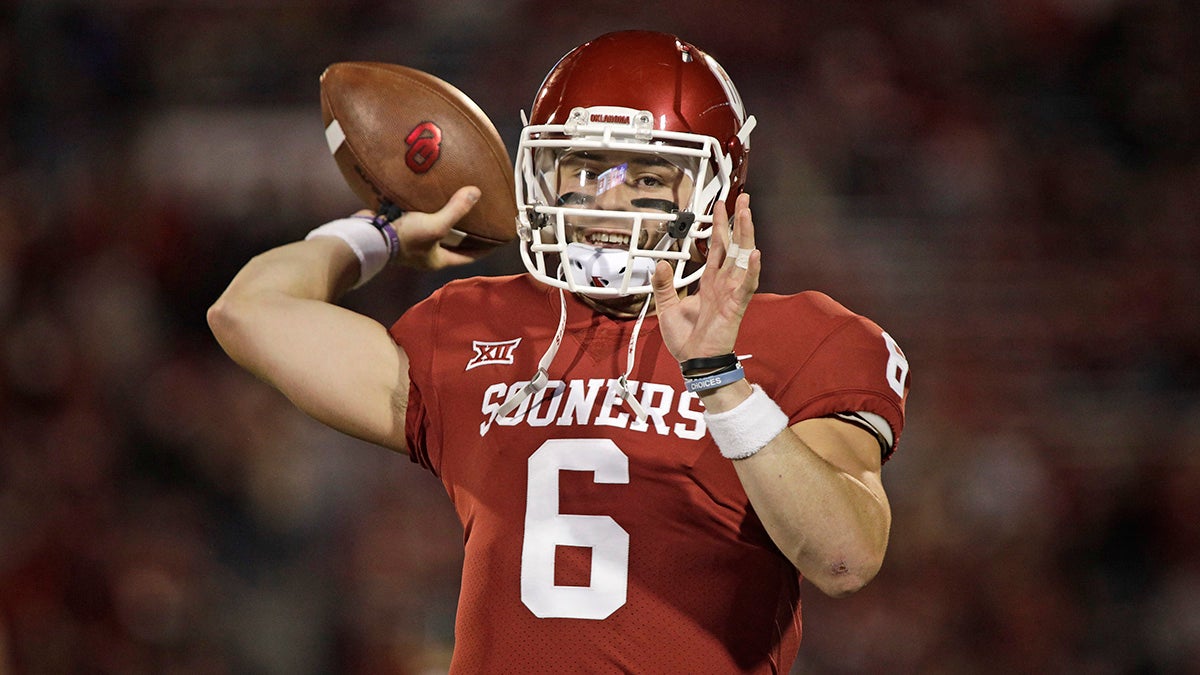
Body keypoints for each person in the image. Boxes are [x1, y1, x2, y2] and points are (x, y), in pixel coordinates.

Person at [208, 30, 910, 673]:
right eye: (586, 170)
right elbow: (247, 312)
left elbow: (843, 556)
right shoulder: (478, 323)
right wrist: (382, 234)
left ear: (717, 190)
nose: (608, 201)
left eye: (646, 176)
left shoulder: (803, 338)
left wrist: (720, 380)